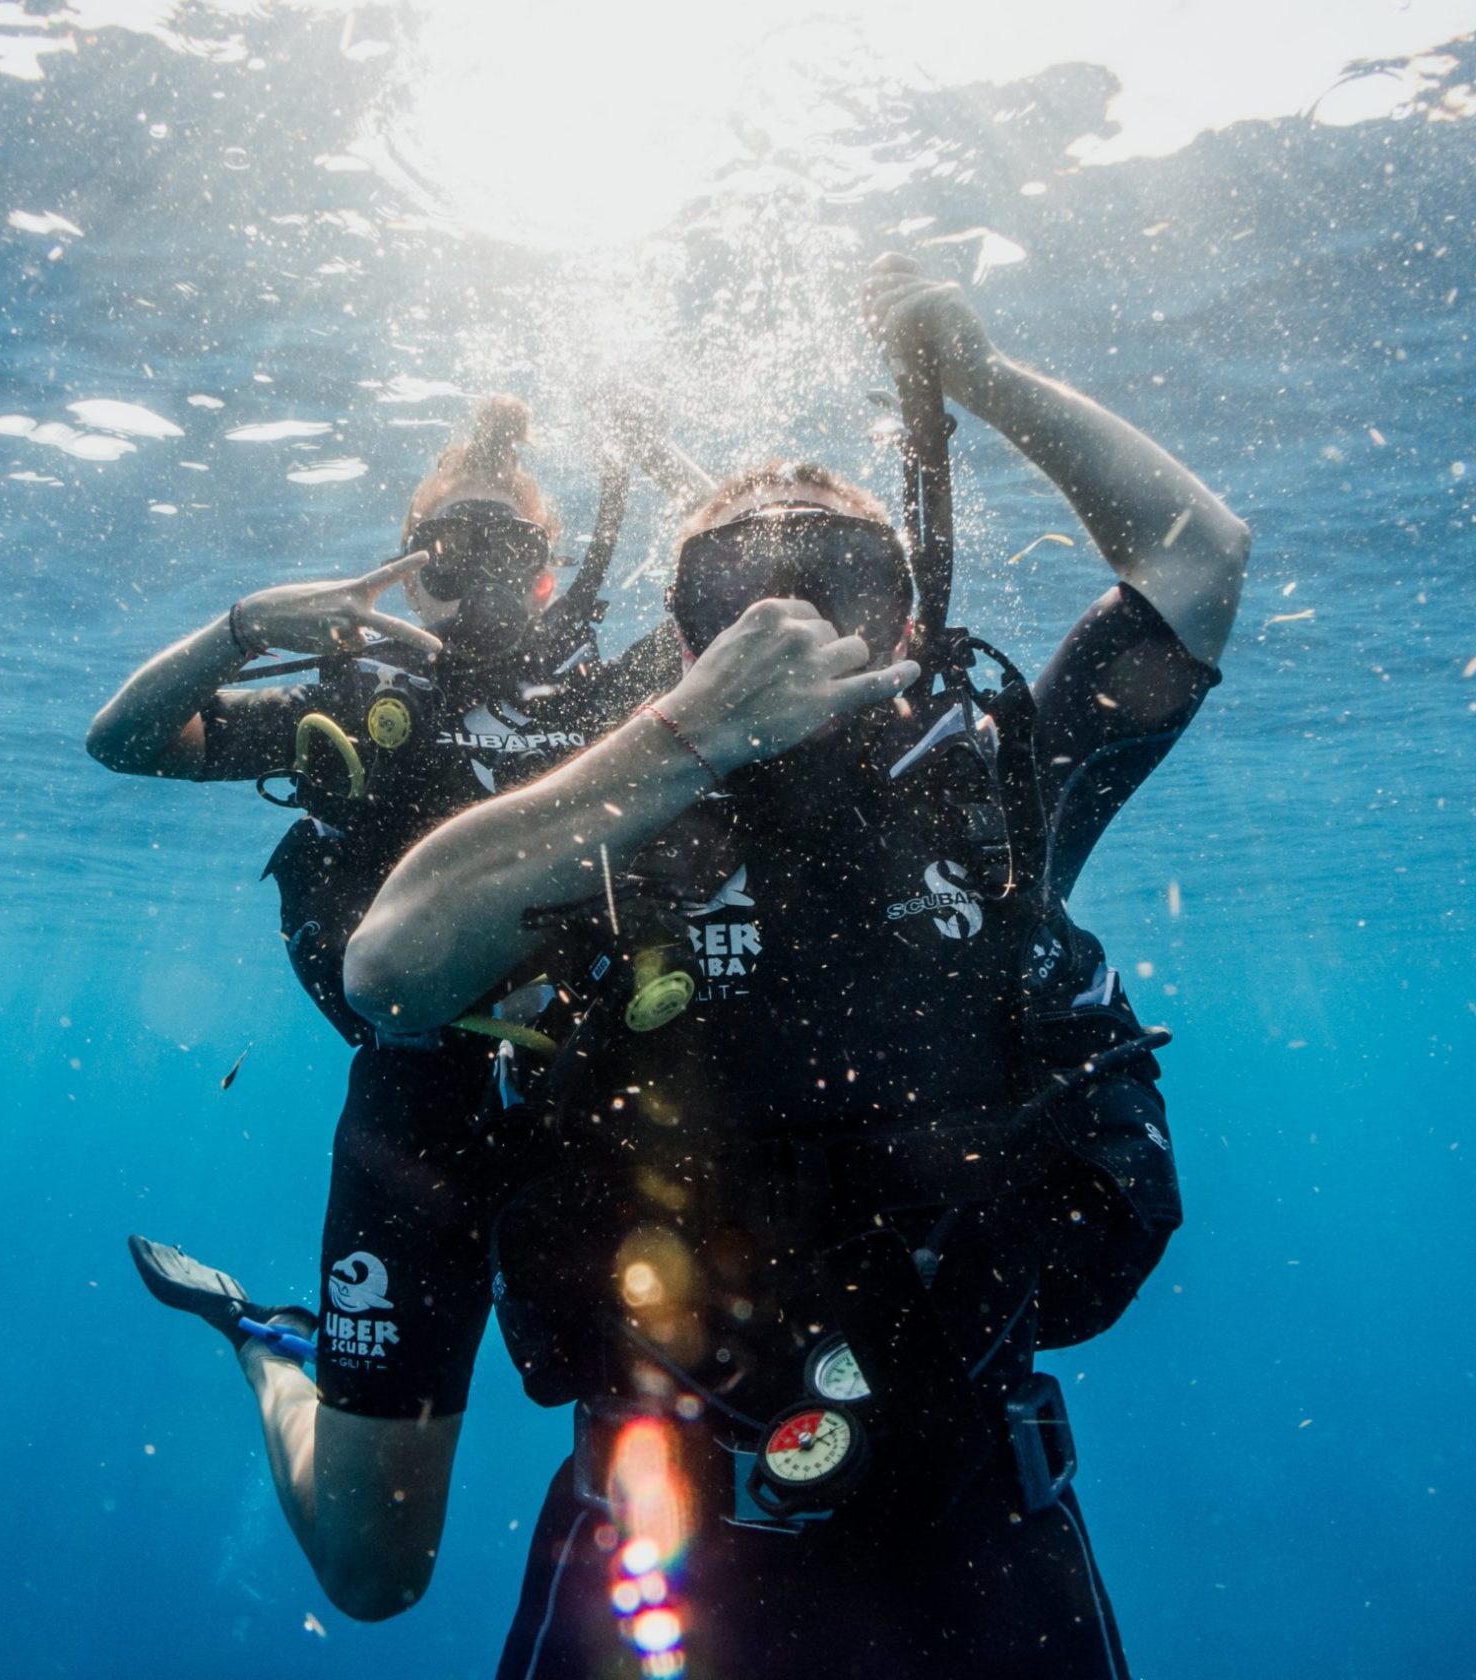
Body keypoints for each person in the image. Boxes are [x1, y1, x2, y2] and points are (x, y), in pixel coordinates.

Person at [342, 253, 1251, 1676]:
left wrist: (986, 380)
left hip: (984, 1548)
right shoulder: (603, 812)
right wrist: (684, 741)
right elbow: (390, 972)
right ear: (682, 634)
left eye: (844, 576)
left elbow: (1199, 558)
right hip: (652, 1550)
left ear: (909, 616)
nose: (794, 619)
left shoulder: (988, 796)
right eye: (740, 587)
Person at [87, 395, 711, 1619]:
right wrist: (242, 629)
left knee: (701, 1452)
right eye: (445, 554)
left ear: (549, 574)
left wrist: (670, 463)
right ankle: (276, 1346)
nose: (477, 582)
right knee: (372, 1577)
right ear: (408, 578)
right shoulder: (354, 711)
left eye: (506, 552)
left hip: (606, 1111)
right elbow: (126, 741)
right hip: (415, 1126)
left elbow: (771, 605)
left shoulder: (620, 699)